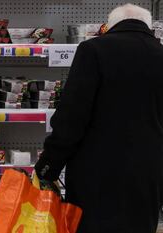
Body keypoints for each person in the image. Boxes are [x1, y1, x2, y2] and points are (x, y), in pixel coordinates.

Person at [34, 4, 163, 233]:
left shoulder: (92, 50)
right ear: (148, 26)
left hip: (94, 177)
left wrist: (48, 167)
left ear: (110, 26)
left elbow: (71, 118)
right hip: (147, 176)